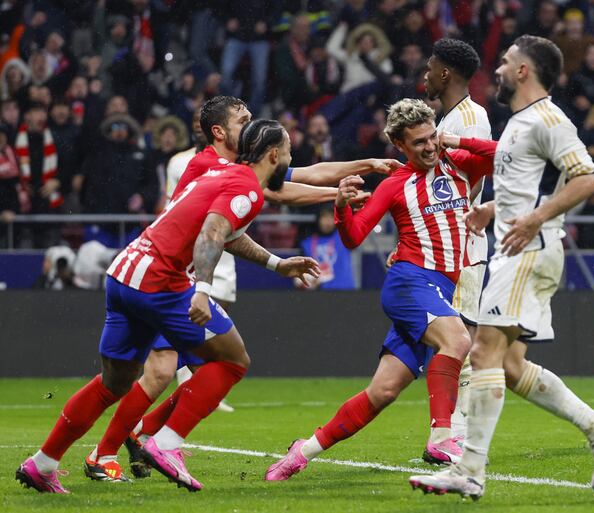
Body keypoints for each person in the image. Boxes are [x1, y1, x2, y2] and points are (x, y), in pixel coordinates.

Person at [83, 96, 398, 483]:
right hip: (169, 279)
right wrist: (341, 194)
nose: (249, 125)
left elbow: (300, 174)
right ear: (219, 131)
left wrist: (369, 165)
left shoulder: (235, 165)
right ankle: (113, 448)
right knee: (174, 369)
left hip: (180, 275)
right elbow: (278, 192)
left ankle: (135, 436)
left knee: (201, 369)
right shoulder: (208, 164)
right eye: (242, 119)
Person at [16, 118, 321, 494]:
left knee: (114, 383)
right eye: (289, 153)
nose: (290, 160)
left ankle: (42, 463)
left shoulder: (221, 175)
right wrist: (203, 290)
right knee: (231, 360)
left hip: (124, 274)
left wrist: (277, 264)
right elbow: (212, 234)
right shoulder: (247, 189)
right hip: (161, 279)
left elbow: (224, 233)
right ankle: (165, 443)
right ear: (274, 154)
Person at [409, 36, 594, 500]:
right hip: (514, 245)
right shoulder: (518, 122)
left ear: (525, 70)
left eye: (507, 63)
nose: (500, 70)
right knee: (507, 364)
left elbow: (586, 177)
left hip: (531, 248)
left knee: (483, 350)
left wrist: (535, 217)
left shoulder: (548, 118)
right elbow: (519, 185)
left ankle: (469, 470)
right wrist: (491, 209)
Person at [264, 98, 492, 481]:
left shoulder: (459, 165)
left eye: (432, 136)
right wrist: (340, 207)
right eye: (419, 142)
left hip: (435, 291)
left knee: (382, 393)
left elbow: (506, 153)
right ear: (399, 147)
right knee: (457, 340)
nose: (430, 146)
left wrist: (454, 139)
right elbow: (353, 238)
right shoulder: (394, 185)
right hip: (410, 283)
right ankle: (442, 435)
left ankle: (302, 452)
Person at [423, 38, 491, 459]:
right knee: (452, 342)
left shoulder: (472, 117)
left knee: (460, 342)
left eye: (431, 67)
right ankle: (450, 434)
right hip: (439, 246)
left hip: (464, 244)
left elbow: (478, 169)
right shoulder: (447, 117)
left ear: (446, 73)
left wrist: (440, 144)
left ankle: (458, 437)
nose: (426, 75)